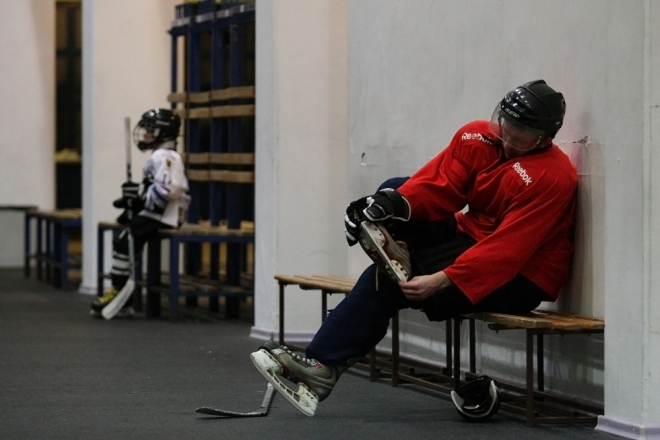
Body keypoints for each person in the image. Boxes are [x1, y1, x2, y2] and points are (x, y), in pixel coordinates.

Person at [250, 80, 578, 417]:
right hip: (473, 234)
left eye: (520, 131)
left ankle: (322, 366)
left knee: (389, 283)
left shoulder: (554, 178)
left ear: (544, 137)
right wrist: (388, 204)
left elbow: (507, 251)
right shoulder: (478, 137)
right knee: (393, 190)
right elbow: (440, 185)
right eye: (505, 122)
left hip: (523, 275)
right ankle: (391, 253)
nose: (508, 135)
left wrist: (441, 279)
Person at [91, 108, 190, 318]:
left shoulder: (167, 157)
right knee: (127, 233)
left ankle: (118, 291)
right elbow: (154, 186)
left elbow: (170, 190)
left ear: (161, 133)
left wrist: (140, 198)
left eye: (150, 131)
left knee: (124, 238)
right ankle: (123, 297)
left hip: (165, 216)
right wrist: (135, 196)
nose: (145, 135)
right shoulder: (159, 156)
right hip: (156, 214)